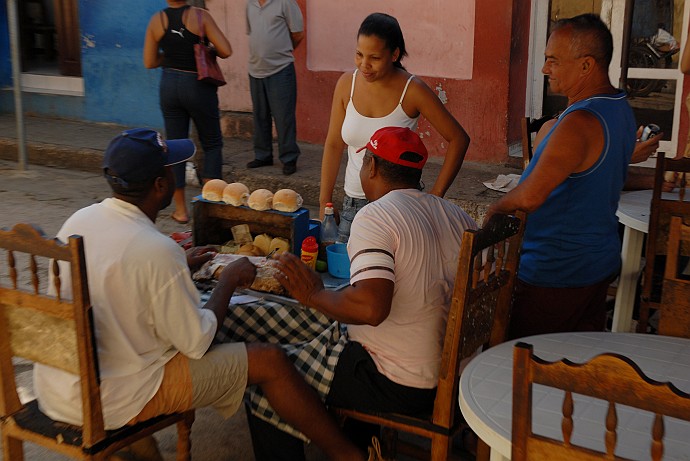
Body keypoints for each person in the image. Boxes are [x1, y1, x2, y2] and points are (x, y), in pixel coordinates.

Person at [33, 128, 374, 461]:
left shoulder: (81, 219)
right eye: (172, 168)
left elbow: (117, 273)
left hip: (59, 388)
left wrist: (177, 264)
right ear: (160, 185)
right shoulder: (154, 249)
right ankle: (346, 453)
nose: (176, 173)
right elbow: (198, 342)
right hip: (115, 398)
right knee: (271, 361)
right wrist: (229, 279)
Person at [220, 126, 476, 459]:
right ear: (416, 173)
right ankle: (362, 443)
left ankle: (346, 452)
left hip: (400, 382)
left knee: (268, 384)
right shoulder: (456, 215)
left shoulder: (376, 216)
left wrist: (313, 295)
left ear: (371, 166)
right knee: (315, 333)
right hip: (456, 378)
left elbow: (371, 308)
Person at [485, 14, 636, 338]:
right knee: (574, 369)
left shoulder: (579, 122)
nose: (544, 69)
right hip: (598, 262)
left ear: (585, 66)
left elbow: (529, 197)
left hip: (556, 271)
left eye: (553, 60)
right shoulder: (620, 108)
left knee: (526, 371)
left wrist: (495, 209)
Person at [319, 12, 470, 241]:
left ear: (394, 54)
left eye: (375, 58)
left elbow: (459, 138)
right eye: (359, 55)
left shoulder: (412, 90)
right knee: (347, 273)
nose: (364, 65)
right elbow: (333, 144)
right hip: (353, 205)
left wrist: (436, 196)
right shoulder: (345, 85)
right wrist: (325, 203)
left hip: (399, 209)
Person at [143, 0, 232, 224]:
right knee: (211, 143)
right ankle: (210, 208)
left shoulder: (156, 20)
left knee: (175, 146)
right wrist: (206, 49)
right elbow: (226, 50)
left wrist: (170, 57)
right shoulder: (201, 16)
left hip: (169, 84)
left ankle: (181, 210)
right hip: (198, 85)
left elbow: (149, 61)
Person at [245, 0, 304, 176]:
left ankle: (289, 158)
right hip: (255, 70)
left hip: (281, 69)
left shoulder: (285, 2)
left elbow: (298, 34)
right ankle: (263, 155)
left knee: (283, 116)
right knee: (260, 115)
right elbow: (252, 33)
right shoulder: (250, 4)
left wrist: (282, 51)